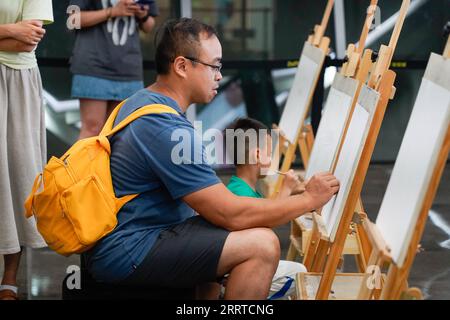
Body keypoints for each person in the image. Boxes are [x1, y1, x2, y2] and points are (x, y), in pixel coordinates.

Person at [83, 18, 339, 300]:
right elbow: (230, 212)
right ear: (181, 66)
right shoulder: (165, 128)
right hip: (129, 250)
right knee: (262, 244)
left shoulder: (142, 103)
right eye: (214, 65)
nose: (219, 75)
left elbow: (217, 203)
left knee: (236, 231)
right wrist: (308, 201)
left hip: (136, 237)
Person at [0, 0, 53, 300]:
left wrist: (17, 34)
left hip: (18, 81)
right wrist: (9, 29)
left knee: (20, 176)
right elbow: (15, 37)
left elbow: (27, 41)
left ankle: (10, 277)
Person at [226, 117, 307, 300]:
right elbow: (266, 225)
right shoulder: (240, 193)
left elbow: (265, 211)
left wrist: (292, 192)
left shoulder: (241, 186)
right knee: (299, 274)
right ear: (256, 155)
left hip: (243, 265)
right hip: (239, 273)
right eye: (269, 154)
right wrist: (286, 190)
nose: (271, 160)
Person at [68, 0, 158, 139]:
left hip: (129, 70)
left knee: (119, 135)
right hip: (94, 66)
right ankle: (80, 162)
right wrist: (111, 12)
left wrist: (143, 15)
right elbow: (73, 19)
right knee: (92, 130)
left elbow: (149, 26)